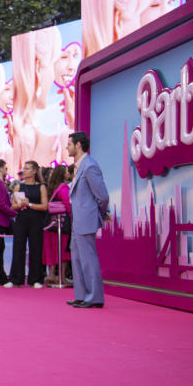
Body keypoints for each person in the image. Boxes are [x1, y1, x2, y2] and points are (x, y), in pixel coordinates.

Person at [66, 132, 109, 308]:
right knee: (76, 258)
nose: (67, 147)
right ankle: (82, 295)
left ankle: (95, 297)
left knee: (88, 258)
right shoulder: (79, 166)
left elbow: (102, 195)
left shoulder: (90, 166)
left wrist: (100, 213)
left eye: (69, 144)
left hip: (86, 218)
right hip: (78, 219)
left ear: (78, 145)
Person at [5, 160, 48, 288]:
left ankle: (35, 279)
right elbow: (13, 206)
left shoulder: (41, 187)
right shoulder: (19, 187)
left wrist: (29, 204)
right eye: (24, 168)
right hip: (21, 221)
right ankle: (15, 279)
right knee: (18, 248)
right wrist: (20, 205)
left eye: (28, 168)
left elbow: (45, 206)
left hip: (36, 221)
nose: (24, 170)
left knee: (36, 249)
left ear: (34, 171)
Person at [44, 165, 72, 286]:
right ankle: (62, 276)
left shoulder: (49, 187)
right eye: (66, 171)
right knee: (63, 250)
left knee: (51, 250)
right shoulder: (63, 188)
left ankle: (51, 274)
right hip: (61, 224)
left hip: (50, 224)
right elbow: (68, 204)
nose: (68, 173)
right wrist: (72, 217)